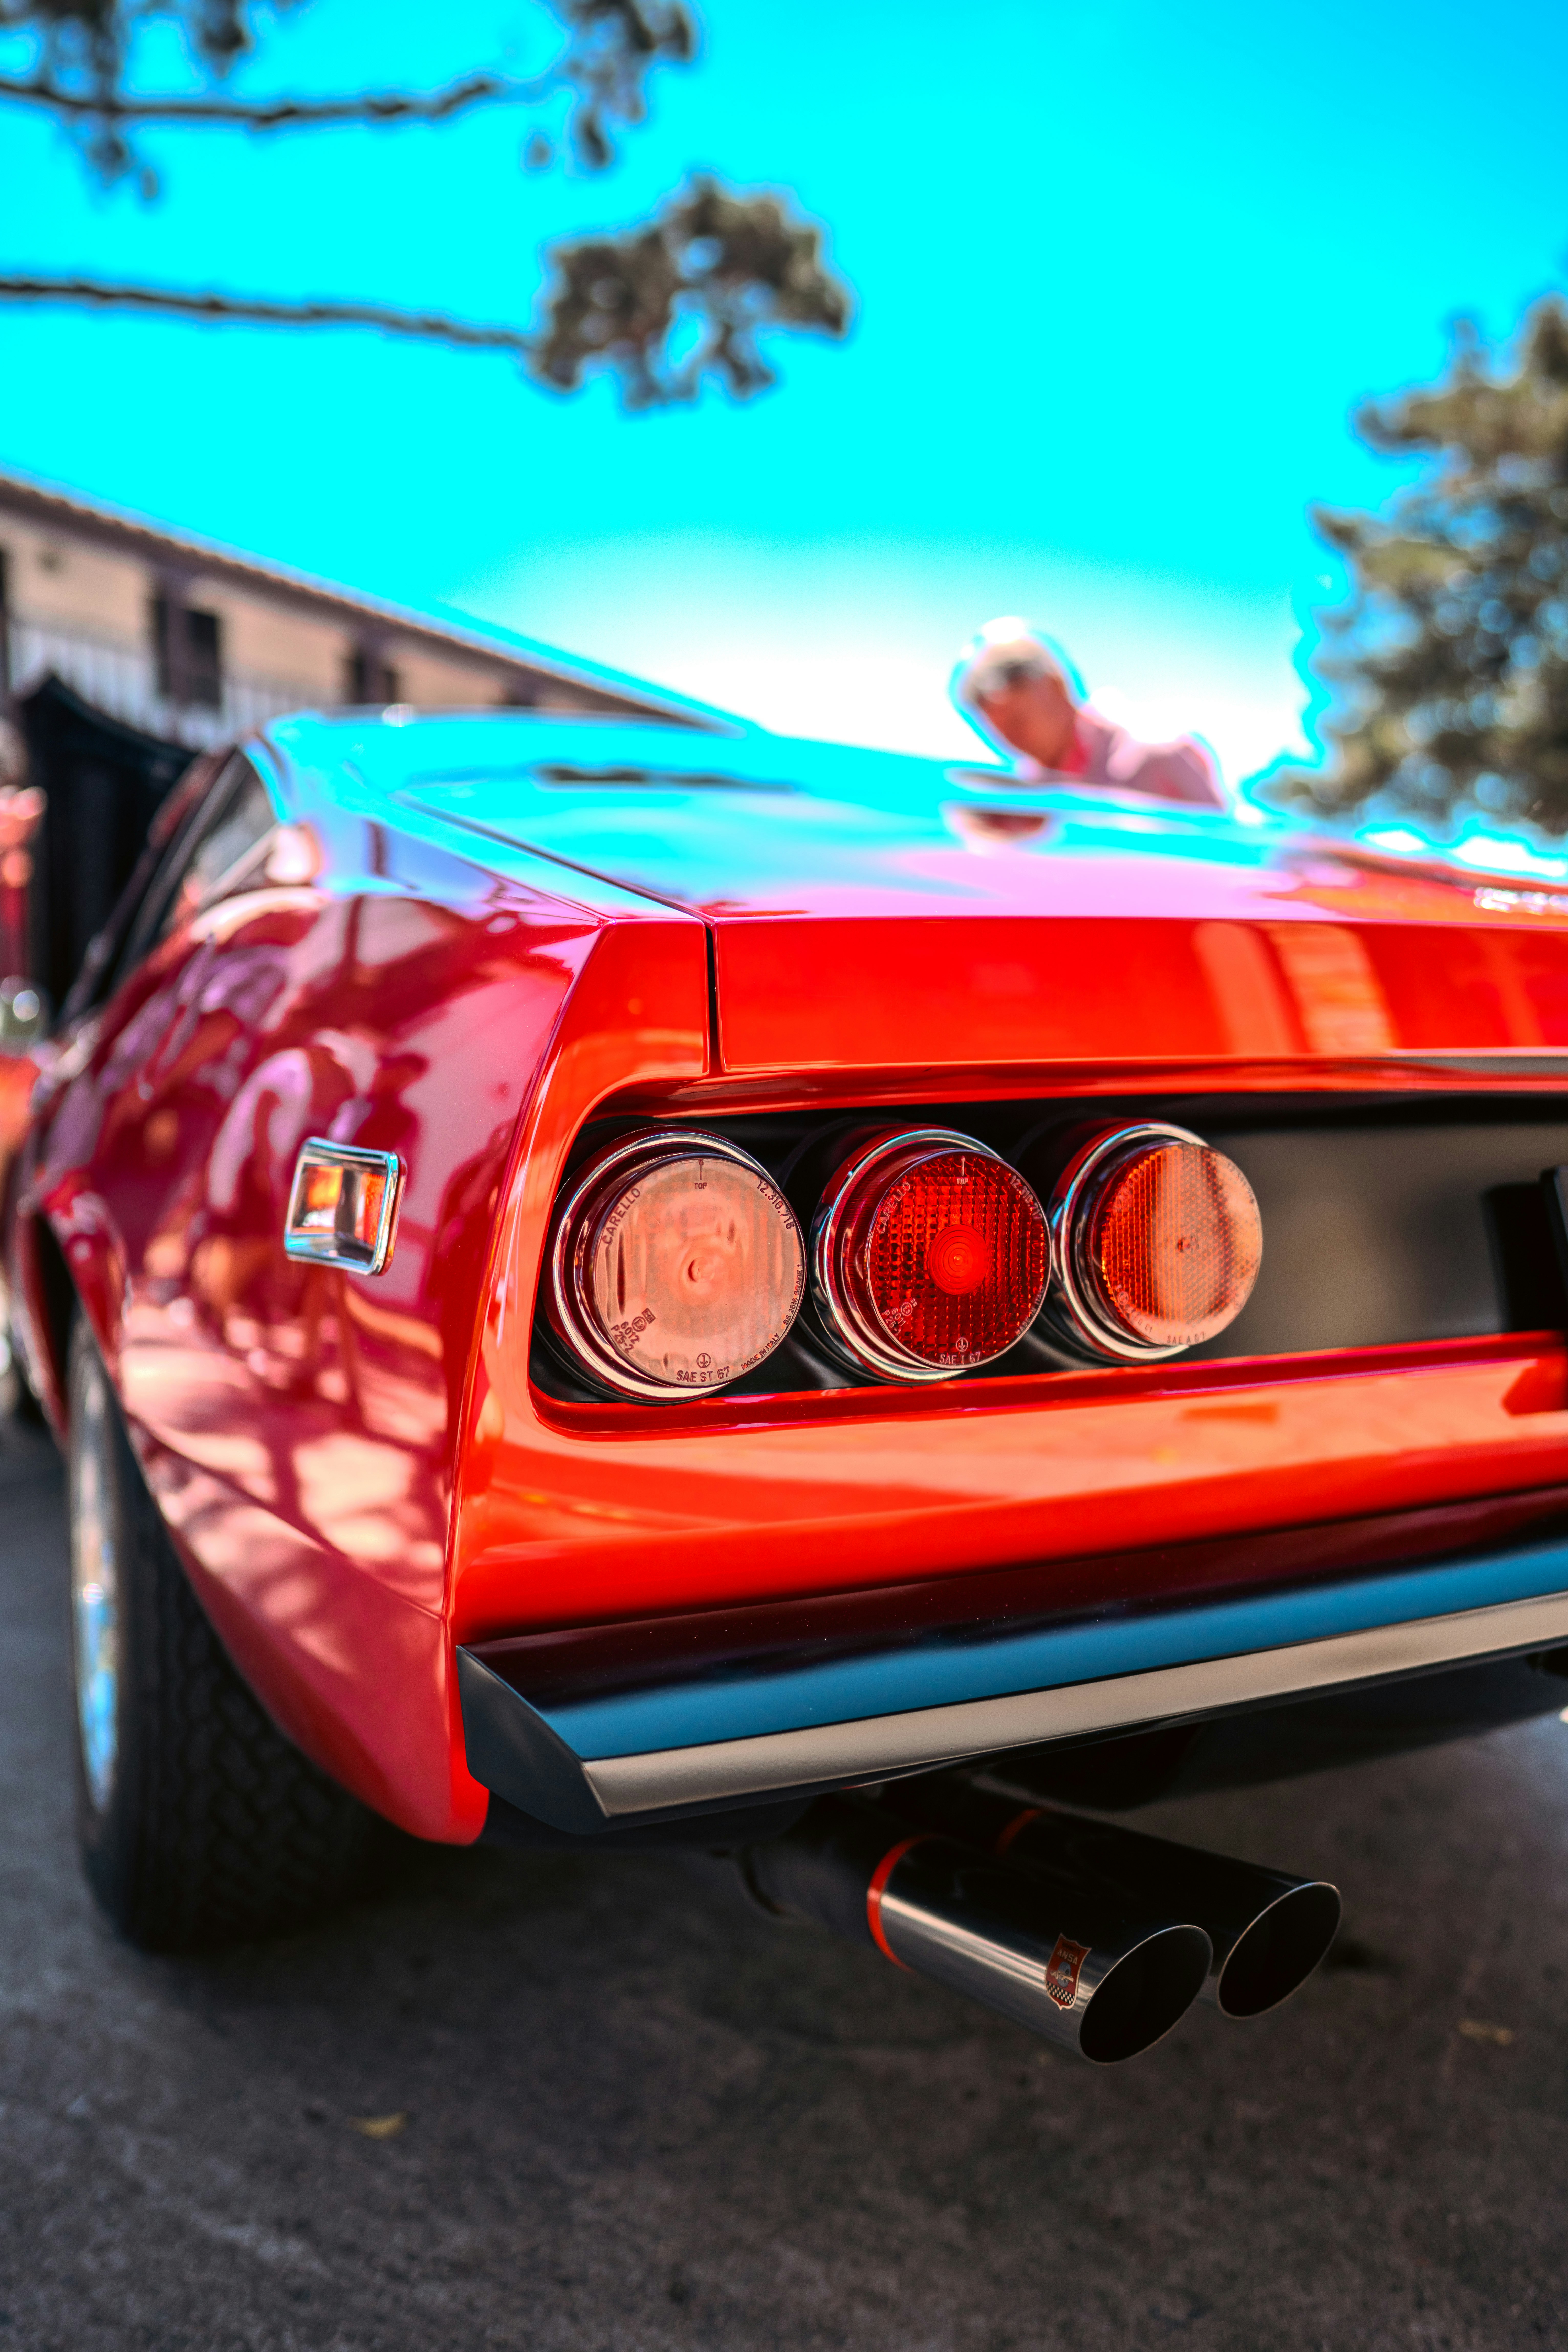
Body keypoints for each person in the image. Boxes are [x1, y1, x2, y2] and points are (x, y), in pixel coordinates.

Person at [950, 617, 1226, 809]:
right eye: (997, 734)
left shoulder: (1157, 752)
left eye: (1017, 723)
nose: (1012, 744)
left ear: (1056, 685)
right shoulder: (1031, 783)